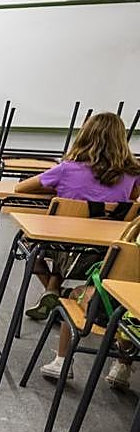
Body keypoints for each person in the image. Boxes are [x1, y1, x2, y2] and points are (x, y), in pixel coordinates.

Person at [13, 112, 140, 379]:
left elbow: (21, 188)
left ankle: (53, 289)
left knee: (27, 241)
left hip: (66, 252)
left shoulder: (67, 169)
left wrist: (58, 189)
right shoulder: (133, 175)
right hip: (108, 259)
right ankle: (56, 292)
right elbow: (132, 198)